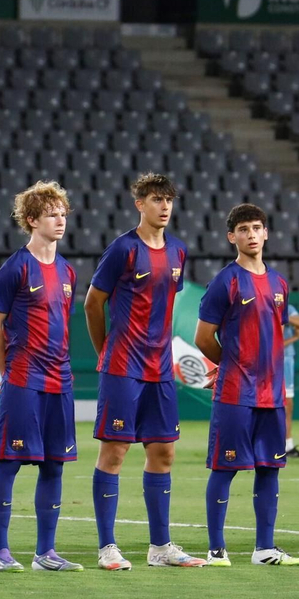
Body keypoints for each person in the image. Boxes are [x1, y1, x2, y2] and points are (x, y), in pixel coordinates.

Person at [84, 173, 202, 570]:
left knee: (163, 452)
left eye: (169, 199)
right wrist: (107, 353)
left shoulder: (179, 252)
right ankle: (107, 548)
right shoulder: (123, 249)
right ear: (139, 204)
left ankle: (160, 548)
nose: (164, 206)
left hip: (161, 367)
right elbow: (92, 303)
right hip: (123, 364)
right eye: (156, 199)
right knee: (115, 451)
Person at [0, 182, 83, 572]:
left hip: (61, 379)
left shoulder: (67, 270)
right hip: (24, 378)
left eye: (62, 212)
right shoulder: (15, 268)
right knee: (9, 462)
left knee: (54, 464)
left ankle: (46, 553)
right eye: (51, 213)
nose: (60, 219)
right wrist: (6, 371)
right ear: (31, 220)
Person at [195, 203, 299, 566]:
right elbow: (203, 337)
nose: (252, 234)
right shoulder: (225, 281)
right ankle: (216, 550)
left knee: (269, 469)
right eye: (244, 229)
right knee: (225, 470)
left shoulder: (279, 283)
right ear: (232, 237)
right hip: (235, 393)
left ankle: (265, 549)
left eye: (257, 228)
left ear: (266, 233)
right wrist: (228, 362)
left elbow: (275, 332)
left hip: (271, 394)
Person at [283, 309, 299, 458]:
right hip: (273, 362)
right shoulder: (263, 308)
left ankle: (287, 445)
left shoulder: (286, 306)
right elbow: (275, 345)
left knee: (288, 406)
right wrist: (295, 337)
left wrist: (284, 316)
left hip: (286, 361)